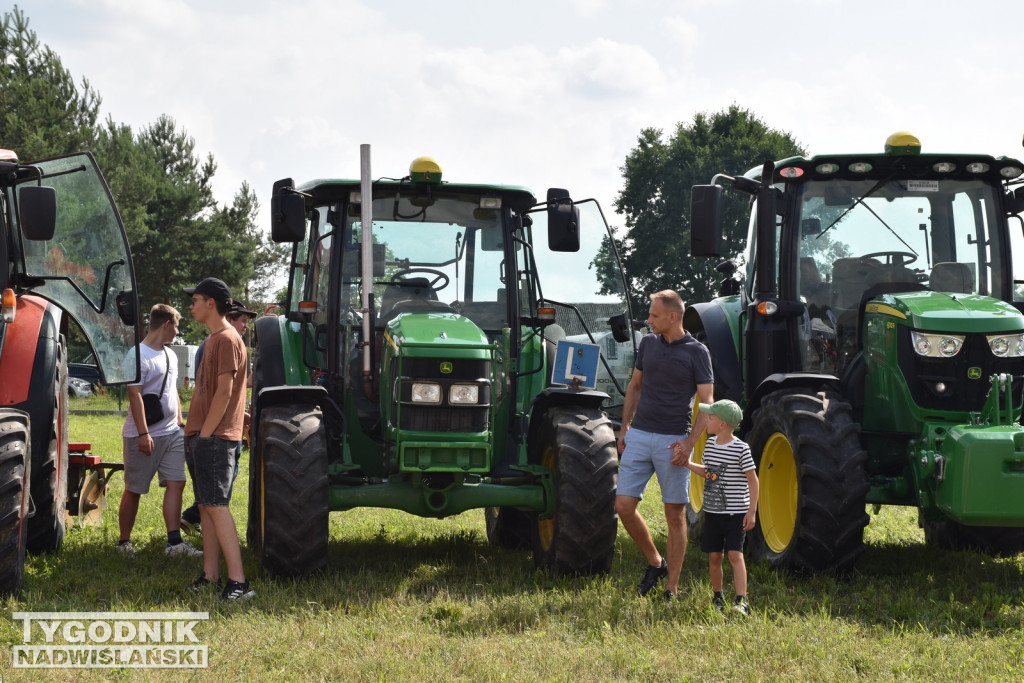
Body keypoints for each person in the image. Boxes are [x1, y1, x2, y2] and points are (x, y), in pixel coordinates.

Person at [616, 290, 714, 600]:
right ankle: (654, 562)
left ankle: (671, 586)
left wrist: (688, 444)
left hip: (674, 440)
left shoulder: (698, 353)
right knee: (623, 506)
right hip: (640, 435)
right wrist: (624, 427)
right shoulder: (647, 344)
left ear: (673, 317)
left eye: (654, 315)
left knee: (674, 515)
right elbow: (635, 387)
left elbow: (707, 403)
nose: (649, 320)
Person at [183, 277, 254, 600]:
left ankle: (239, 582)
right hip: (201, 434)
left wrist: (207, 434)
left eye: (195, 299)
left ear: (211, 303)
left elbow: (225, 392)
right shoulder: (214, 340)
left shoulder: (227, 339)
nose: (191, 306)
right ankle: (210, 575)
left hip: (215, 437)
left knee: (217, 506)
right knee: (206, 506)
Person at [117, 304, 202, 558]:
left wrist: (179, 420)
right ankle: (123, 543)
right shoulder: (137, 355)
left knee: (177, 482)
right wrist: (143, 434)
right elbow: (135, 396)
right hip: (142, 435)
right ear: (166, 324)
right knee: (135, 488)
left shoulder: (170, 355)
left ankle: (174, 543)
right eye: (176, 326)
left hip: (172, 433)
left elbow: (172, 390)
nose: (177, 332)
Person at [180, 300, 255, 534]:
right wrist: (204, 436)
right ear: (230, 317)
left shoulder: (223, 341)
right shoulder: (222, 341)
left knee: (215, 495)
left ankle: (211, 553)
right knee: (216, 499)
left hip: (218, 429)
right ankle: (197, 519)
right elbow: (215, 390)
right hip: (216, 433)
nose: (245, 326)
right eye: (242, 320)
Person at [678, 399, 758, 615]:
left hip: (735, 513)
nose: (707, 421)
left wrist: (751, 511)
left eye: (710, 418)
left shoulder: (741, 449)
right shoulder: (711, 445)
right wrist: (687, 463)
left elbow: (753, 480)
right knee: (715, 556)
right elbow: (708, 472)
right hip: (713, 513)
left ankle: (742, 601)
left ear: (722, 424)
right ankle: (718, 596)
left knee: (735, 555)